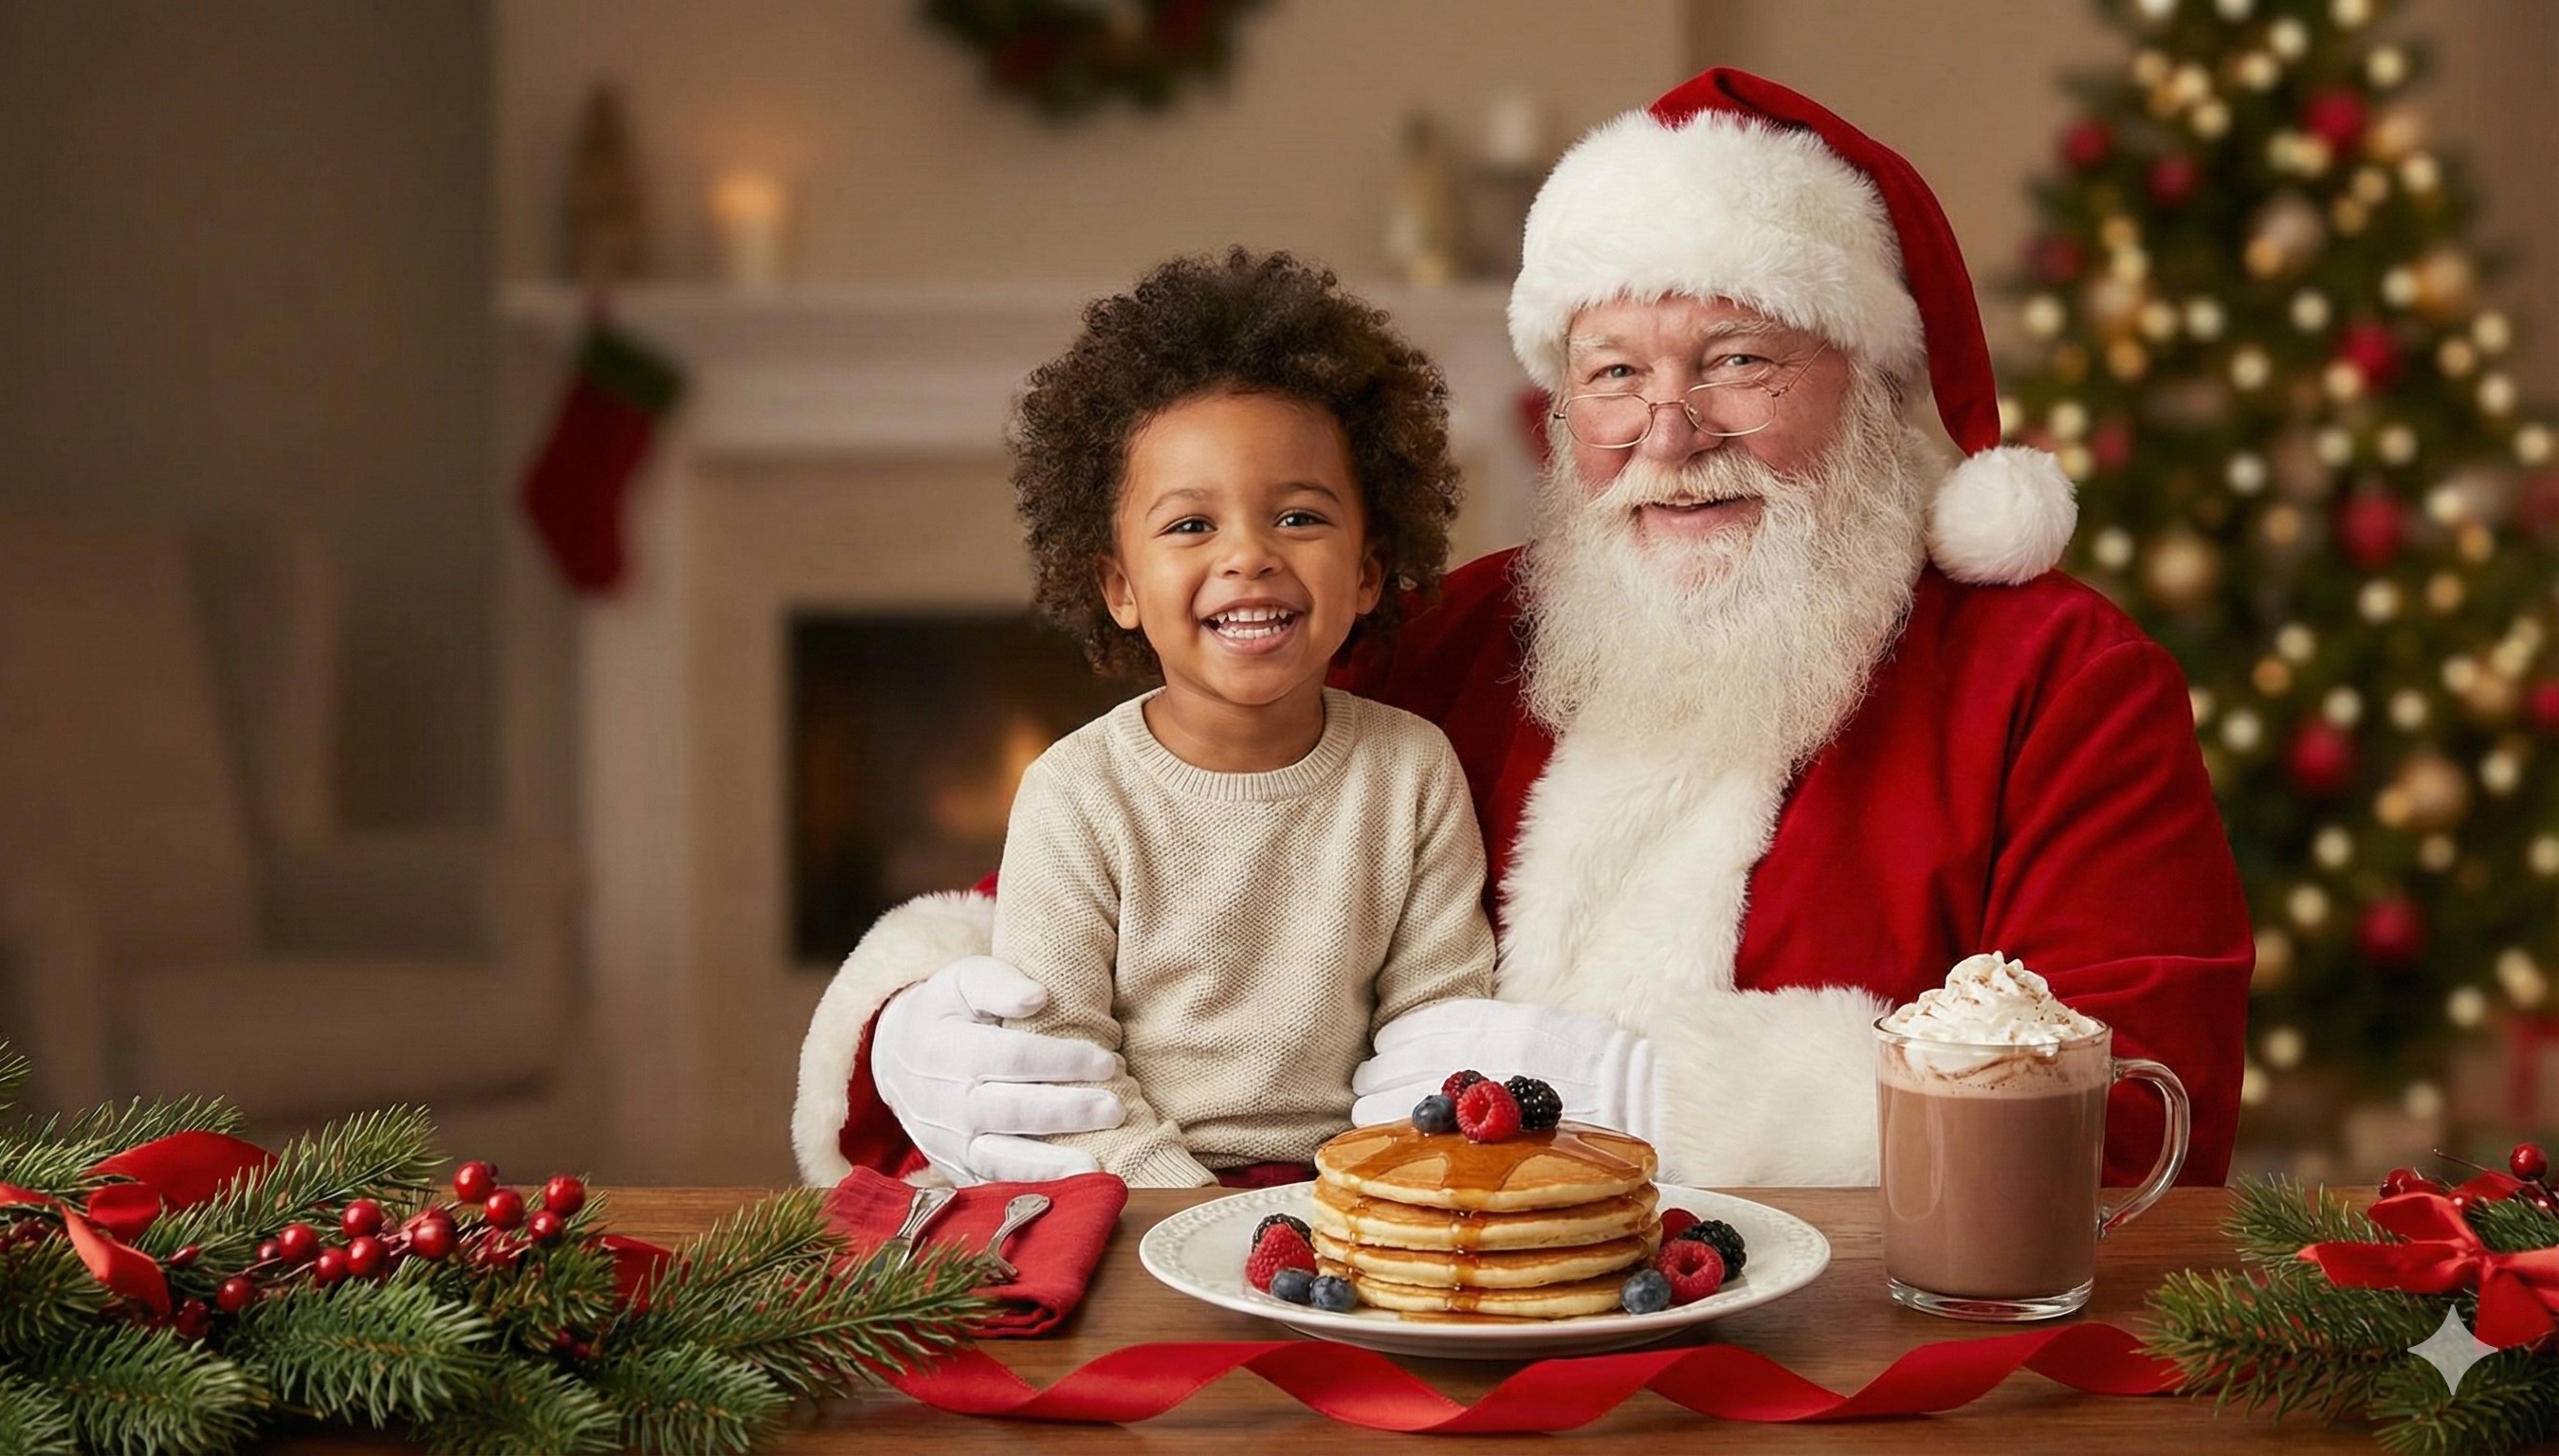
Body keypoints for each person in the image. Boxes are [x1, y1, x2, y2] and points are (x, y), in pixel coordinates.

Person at [793, 69, 2252, 1190]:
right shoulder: (1459, 634)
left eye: (1739, 360)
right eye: (1614, 371)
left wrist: (1670, 1095)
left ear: (1872, 386)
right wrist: (915, 1025)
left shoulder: (2063, 683)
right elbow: (1095, 864)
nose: (1668, 431)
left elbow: (2142, 1115)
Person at [921, 250, 1496, 1187]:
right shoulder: (1076, 791)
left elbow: (1439, 1028)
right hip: (1123, 1195)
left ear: (1366, 570)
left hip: (1340, 1203)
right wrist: (1185, 1214)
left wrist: (1363, 1205)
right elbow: (1063, 1062)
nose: (1248, 558)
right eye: (1191, 525)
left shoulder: (1410, 772)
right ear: (1116, 585)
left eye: (1299, 518)